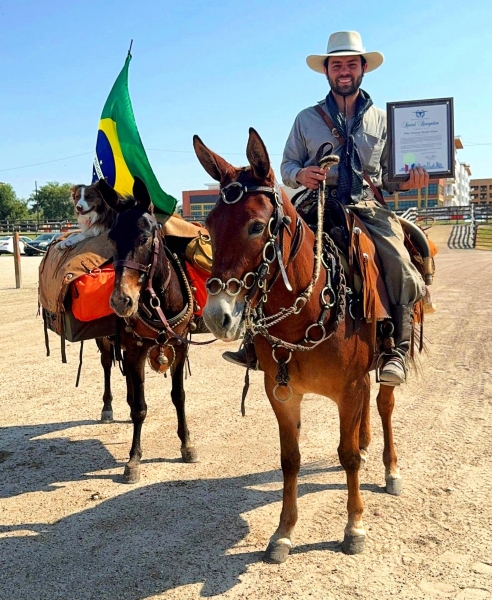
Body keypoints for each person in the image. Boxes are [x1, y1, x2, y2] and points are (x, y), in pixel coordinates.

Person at [223, 31, 427, 386]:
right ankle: (253, 341)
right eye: (337, 65)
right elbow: (286, 167)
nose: (344, 70)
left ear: (363, 68)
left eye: (351, 64)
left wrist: (409, 181)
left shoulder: (383, 120)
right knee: (268, 251)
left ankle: (395, 348)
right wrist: (301, 173)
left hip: (365, 207)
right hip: (312, 203)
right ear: (327, 72)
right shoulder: (306, 119)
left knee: (399, 261)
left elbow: (390, 175)